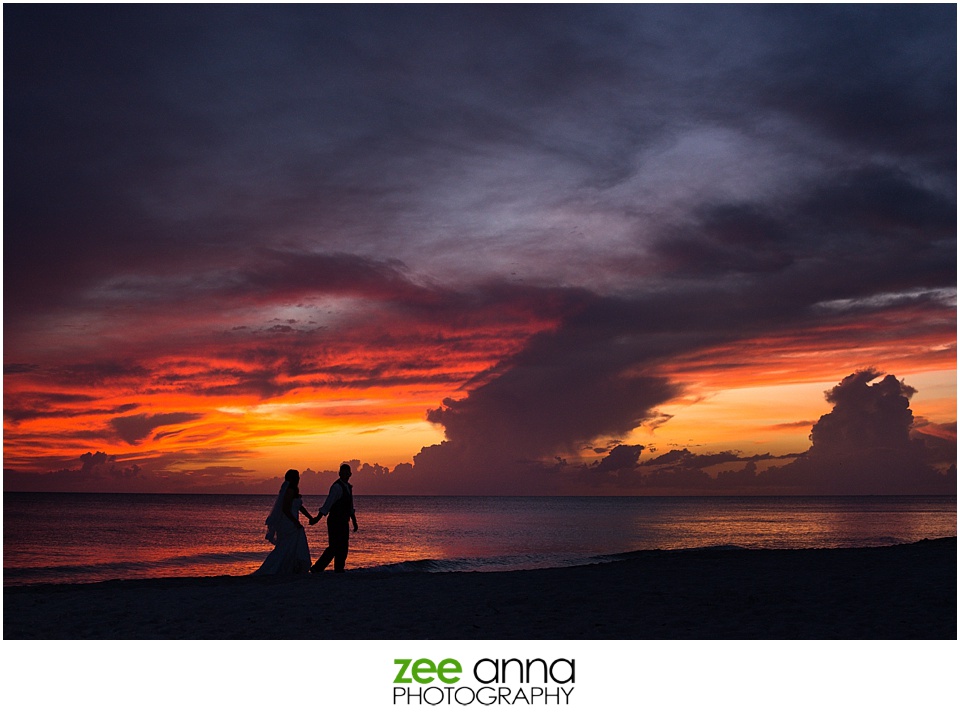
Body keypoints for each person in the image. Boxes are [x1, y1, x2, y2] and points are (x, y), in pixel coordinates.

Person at [254, 469, 313, 574]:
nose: (299, 478)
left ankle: (290, 567)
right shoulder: (289, 490)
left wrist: (310, 517)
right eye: (297, 477)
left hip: (291, 521)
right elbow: (286, 509)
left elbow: (299, 506)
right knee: (285, 546)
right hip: (288, 522)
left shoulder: (293, 490)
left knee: (288, 546)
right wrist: (295, 522)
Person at [309, 463, 358, 573]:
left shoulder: (348, 487)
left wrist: (354, 521)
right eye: (343, 473)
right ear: (339, 473)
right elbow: (328, 504)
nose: (345, 475)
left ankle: (339, 569)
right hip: (335, 521)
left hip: (344, 521)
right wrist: (317, 518)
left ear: (350, 474)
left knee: (343, 546)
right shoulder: (336, 487)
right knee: (334, 546)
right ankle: (317, 568)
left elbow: (350, 506)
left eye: (347, 473)